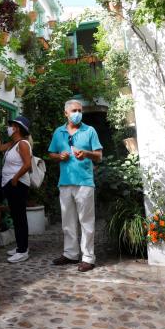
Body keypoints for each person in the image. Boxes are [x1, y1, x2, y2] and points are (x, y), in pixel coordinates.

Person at [47, 99, 103, 272]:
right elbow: (51, 153)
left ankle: (88, 257)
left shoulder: (90, 130)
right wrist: (59, 156)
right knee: (67, 222)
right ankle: (70, 254)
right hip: (65, 182)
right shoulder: (58, 132)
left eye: (80, 110)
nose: (78, 113)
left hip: (85, 182)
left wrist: (86, 153)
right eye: (74, 110)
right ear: (66, 113)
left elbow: (99, 156)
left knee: (86, 222)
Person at [0, 115, 33, 263]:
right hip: (11, 185)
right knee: (16, 217)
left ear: (17, 129)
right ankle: (21, 247)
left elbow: (28, 165)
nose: (9, 128)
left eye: (11, 125)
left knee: (20, 218)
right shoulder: (12, 144)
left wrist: (15, 178)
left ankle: (23, 251)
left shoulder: (23, 144)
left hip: (18, 185)